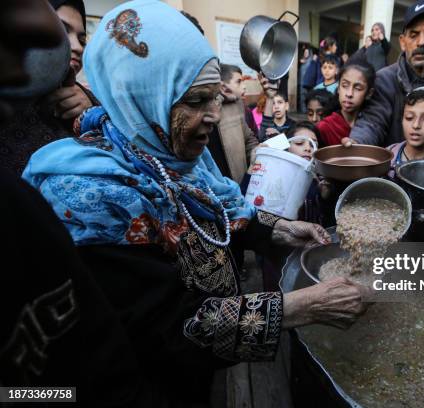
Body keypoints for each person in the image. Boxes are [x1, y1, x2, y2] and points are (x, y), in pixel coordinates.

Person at [22, 2, 369, 402]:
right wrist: (300, 307)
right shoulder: (93, 195)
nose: (213, 115)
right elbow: (167, 328)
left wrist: (282, 230)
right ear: (140, 95)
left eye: (214, 98)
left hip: (199, 372)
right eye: (193, 101)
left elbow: (221, 212)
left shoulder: (179, 153)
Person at [0, 1, 165, 405]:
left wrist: (95, 112)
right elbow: (25, 392)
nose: (67, 45)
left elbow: (100, 358)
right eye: (61, 31)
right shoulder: (27, 187)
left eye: (78, 36)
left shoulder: (88, 109)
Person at [0, 0, 97, 176]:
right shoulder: (7, 99)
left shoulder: (89, 102)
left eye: (82, 40)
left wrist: (92, 116)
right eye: (63, 29)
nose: (77, 47)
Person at [345, 0, 424, 147]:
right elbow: (372, 121)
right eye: (414, 35)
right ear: (403, 42)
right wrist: (357, 142)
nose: (421, 42)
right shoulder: (384, 79)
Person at [207, 63, 259, 183]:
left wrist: (256, 152)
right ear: (223, 87)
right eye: (239, 81)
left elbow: (248, 138)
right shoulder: (204, 107)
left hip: (237, 181)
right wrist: (220, 97)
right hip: (213, 182)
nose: (244, 86)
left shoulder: (237, 104)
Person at [317, 62, 375, 146]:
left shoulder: (372, 126)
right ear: (338, 88)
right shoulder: (324, 127)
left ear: (369, 93)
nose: (349, 94)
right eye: (344, 85)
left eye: (358, 88)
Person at [257, 76, 295, 141]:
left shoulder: (294, 126)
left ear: (286, 106)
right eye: (273, 103)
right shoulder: (267, 125)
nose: (276, 106)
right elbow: (262, 138)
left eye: (280, 102)